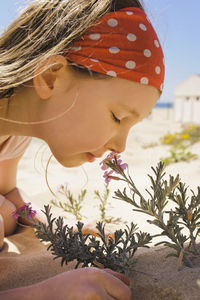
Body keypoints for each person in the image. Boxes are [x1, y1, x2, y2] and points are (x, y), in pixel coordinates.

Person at [0, 0, 165, 299]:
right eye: (117, 117)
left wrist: (60, 229)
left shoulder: (12, 129)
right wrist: (45, 293)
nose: (120, 146)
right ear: (50, 76)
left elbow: (9, 193)